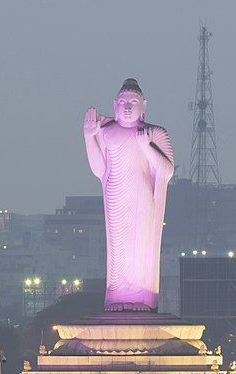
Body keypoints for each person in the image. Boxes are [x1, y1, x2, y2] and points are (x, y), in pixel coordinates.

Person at [83, 78, 174, 312]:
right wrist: (89, 137)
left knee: (140, 247)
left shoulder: (154, 133)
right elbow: (99, 169)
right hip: (115, 194)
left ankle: (142, 299)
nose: (127, 106)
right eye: (123, 102)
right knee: (118, 250)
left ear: (144, 106)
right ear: (114, 105)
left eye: (133, 102)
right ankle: (116, 298)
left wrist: (146, 147)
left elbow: (166, 171)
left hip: (142, 199)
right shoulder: (106, 132)